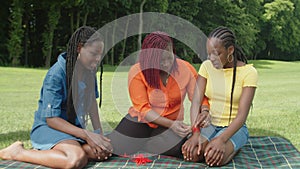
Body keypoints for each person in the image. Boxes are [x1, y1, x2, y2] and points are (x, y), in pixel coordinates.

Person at [0, 26, 112, 169]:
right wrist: (86, 135)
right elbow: (51, 119)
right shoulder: (56, 74)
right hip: (49, 129)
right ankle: (17, 152)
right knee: (75, 160)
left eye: (100, 55)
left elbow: (91, 104)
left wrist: (99, 135)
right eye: (93, 54)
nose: (97, 59)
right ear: (79, 48)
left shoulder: (89, 71)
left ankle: (64, 150)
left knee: (102, 152)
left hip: (73, 130)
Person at [107, 31, 209, 158]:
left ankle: (143, 143)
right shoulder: (137, 71)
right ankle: (144, 141)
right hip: (141, 122)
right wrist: (171, 124)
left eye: (169, 57)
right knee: (112, 148)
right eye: (161, 61)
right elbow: (143, 110)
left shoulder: (186, 69)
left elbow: (198, 99)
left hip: (170, 125)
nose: (166, 63)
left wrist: (205, 110)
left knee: (184, 151)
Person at [182, 26, 258, 166]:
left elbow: (242, 114)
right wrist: (196, 133)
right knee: (192, 153)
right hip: (210, 126)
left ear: (230, 50)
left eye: (216, 54)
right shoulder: (206, 67)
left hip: (234, 128)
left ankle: (233, 147)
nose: (211, 59)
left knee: (213, 157)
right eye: (209, 54)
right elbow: (196, 102)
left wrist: (222, 139)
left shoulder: (249, 72)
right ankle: (216, 144)